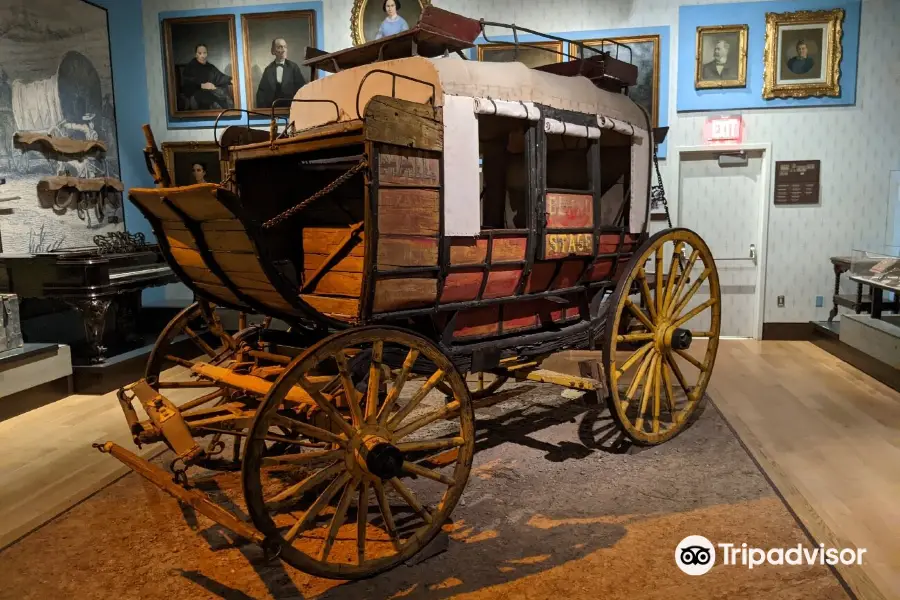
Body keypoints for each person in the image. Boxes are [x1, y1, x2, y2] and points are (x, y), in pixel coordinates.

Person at [255, 38, 307, 110]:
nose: (283, 50)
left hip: (291, 109)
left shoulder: (293, 67)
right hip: (273, 109)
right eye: (280, 47)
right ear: (273, 51)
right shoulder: (268, 70)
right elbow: (261, 93)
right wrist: (264, 111)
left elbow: (301, 89)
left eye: (285, 47)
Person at [179, 43, 233, 110]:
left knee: (225, 97)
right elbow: (187, 84)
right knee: (211, 101)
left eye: (204, 53)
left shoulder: (210, 67)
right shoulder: (190, 67)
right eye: (200, 53)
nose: (202, 56)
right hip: (197, 95)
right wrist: (202, 86)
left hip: (211, 92)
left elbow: (220, 77)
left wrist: (230, 80)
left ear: (207, 54)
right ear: (196, 54)